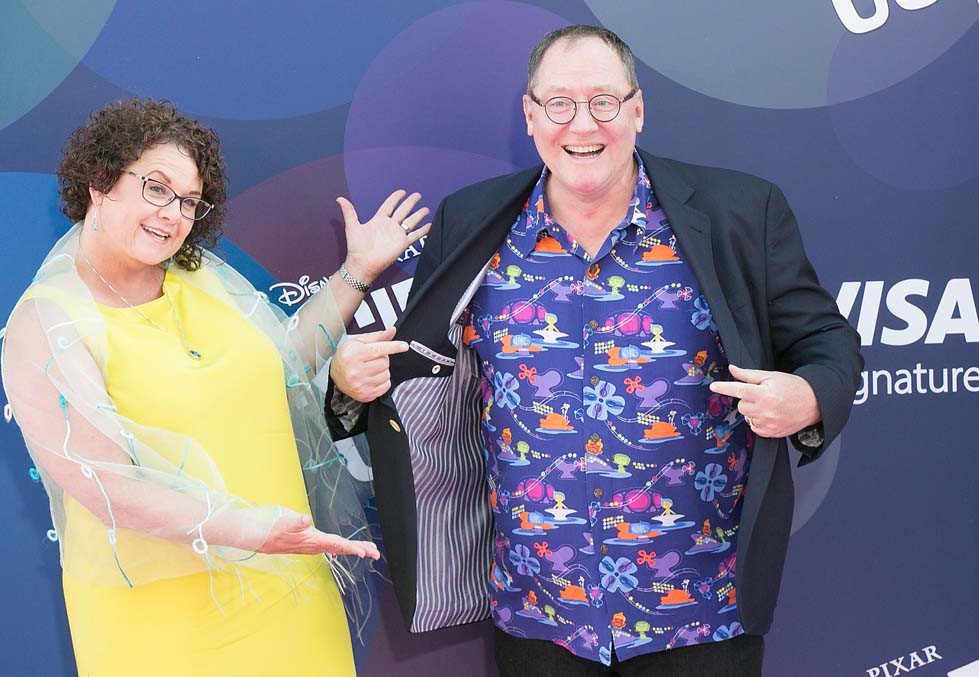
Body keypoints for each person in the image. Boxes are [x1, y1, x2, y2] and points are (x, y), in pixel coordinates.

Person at [327, 25, 864, 677]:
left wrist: (806, 398)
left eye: (603, 101)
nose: (582, 124)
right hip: (538, 619)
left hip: (701, 615)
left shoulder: (740, 213)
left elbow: (827, 343)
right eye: (559, 103)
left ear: (637, 110)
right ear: (530, 116)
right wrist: (348, 386)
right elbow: (412, 372)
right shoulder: (469, 222)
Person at [0, 98, 429, 676]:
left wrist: (359, 271)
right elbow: (106, 486)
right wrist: (254, 531)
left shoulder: (198, 277)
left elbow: (284, 365)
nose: (172, 214)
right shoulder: (47, 321)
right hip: (167, 629)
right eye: (156, 188)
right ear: (100, 181)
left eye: (188, 202)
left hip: (290, 593)